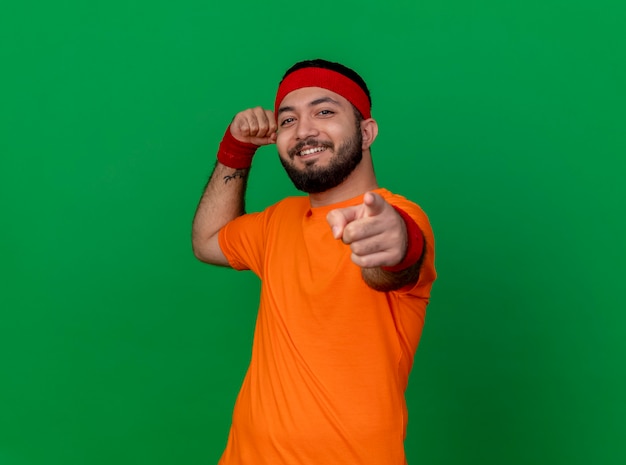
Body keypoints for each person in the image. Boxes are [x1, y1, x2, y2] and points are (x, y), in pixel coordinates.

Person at [192, 59, 437, 465]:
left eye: (325, 112)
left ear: (366, 131)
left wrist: (395, 244)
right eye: (287, 120)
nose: (304, 130)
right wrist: (236, 149)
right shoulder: (276, 222)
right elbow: (207, 242)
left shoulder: (395, 217)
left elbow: (394, 263)